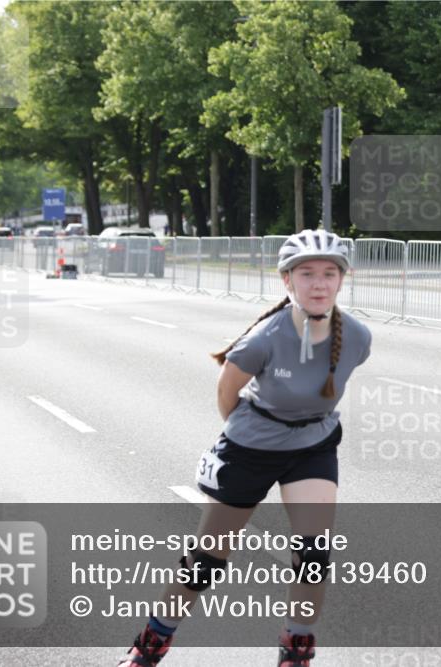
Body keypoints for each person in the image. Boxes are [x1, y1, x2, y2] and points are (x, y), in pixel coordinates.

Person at [118, 229, 372, 666]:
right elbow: (227, 395)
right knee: (205, 562)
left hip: (313, 444)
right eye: (306, 274)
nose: (318, 283)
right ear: (287, 282)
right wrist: (253, 436)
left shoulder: (358, 336)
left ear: (341, 281)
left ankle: (296, 654)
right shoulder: (263, 338)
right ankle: (148, 648)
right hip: (250, 446)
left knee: (314, 554)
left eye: (329, 274)